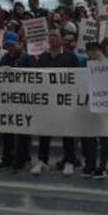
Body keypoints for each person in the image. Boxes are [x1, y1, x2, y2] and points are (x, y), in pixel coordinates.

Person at [31, 28, 79, 176]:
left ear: (62, 39)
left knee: (67, 133)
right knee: (45, 132)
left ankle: (69, 161)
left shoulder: (70, 57)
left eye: (55, 36)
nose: (52, 38)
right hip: (47, 101)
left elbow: (77, 78)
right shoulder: (42, 57)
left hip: (65, 102)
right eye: (50, 36)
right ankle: (42, 160)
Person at [0, 31, 30, 171]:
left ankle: (21, 159)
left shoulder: (26, 58)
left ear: (19, 44)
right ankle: (7, 158)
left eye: (12, 45)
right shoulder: (4, 59)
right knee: (7, 131)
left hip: (22, 99)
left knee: (22, 132)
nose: (10, 48)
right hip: (7, 99)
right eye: (7, 45)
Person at [81, 41, 108, 179]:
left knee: (104, 136)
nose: (93, 53)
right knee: (90, 136)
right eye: (90, 51)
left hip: (106, 105)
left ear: (101, 51)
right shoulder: (86, 65)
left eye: (95, 50)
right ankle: (90, 164)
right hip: (90, 104)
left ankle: (102, 166)